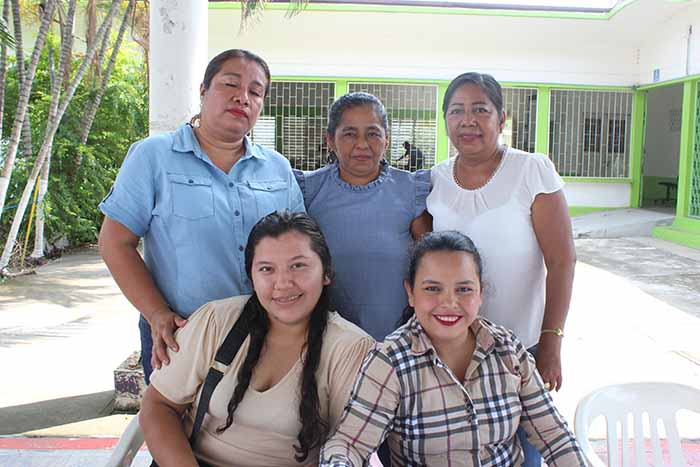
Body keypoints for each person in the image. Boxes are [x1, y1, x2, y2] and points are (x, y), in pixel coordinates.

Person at [98, 49, 304, 383]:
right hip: (181, 334)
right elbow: (114, 242)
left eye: (255, 92)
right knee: (174, 416)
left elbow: (299, 248)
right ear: (203, 90)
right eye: (230, 84)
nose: (243, 97)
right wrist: (156, 313)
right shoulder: (154, 156)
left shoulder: (277, 168)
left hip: (265, 336)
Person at [320, 231, 585, 467]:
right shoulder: (389, 362)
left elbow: (554, 436)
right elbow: (350, 444)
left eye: (464, 289)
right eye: (432, 288)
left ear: (480, 293)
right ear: (410, 293)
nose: (449, 302)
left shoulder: (508, 350)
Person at [140, 210, 374, 467]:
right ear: (251, 277)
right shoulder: (217, 321)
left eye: (298, 265)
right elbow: (159, 405)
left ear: (326, 273)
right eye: (266, 269)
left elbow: (349, 447)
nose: (283, 283)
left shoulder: (351, 349)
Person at [426, 72, 576, 466]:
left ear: (501, 118)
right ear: (445, 120)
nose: (468, 120)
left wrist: (552, 342)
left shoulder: (531, 170)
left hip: (521, 351)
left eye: (480, 110)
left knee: (525, 453)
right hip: (453, 354)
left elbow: (562, 261)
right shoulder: (436, 179)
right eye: (456, 111)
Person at [293, 92, 432, 342]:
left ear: (387, 140)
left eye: (373, 133)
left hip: (398, 343)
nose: (362, 144)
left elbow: (431, 265)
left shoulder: (411, 191)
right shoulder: (308, 192)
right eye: (349, 133)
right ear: (330, 140)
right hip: (327, 343)